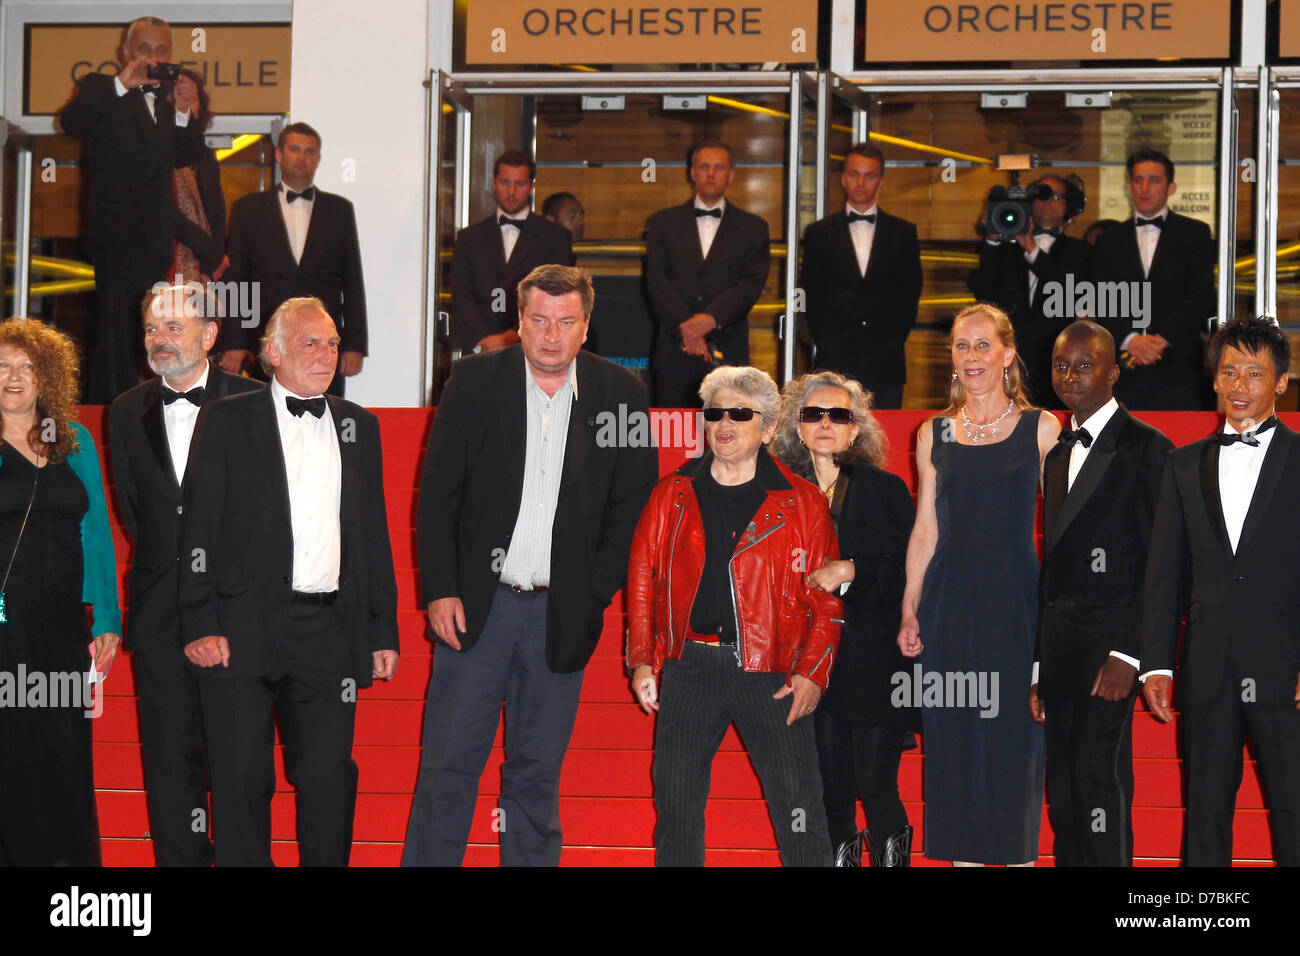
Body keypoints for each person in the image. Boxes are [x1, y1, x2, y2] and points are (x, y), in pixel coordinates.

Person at [404, 264, 657, 866]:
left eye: (565, 322)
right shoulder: (472, 382)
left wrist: (592, 593)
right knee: (448, 765)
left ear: (586, 326)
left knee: (537, 772)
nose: (550, 335)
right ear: (518, 321)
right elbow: (437, 495)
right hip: (476, 610)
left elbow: (632, 509)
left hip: (561, 613)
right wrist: (439, 589)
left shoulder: (620, 394)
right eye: (538, 320)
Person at [178, 297, 399, 866]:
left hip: (330, 630)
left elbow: (373, 534)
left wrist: (382, 630)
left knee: (328, 779)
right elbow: (199, 527)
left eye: (331, 343)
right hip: (238, 629)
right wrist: (199, 621)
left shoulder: (359, 427)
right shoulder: (225, 419)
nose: (325, 355)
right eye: (309, 343)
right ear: (271, 353)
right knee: (240, 779)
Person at [626, 365, 841, 867]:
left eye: (740, 414)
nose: (723, 423)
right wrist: (641, 661)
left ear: (767, 428)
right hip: (689, 667)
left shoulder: (803, 503)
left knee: (799, 808)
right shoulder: (671, 492)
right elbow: (642, 581)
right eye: (715, 412)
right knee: (676, 807)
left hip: (772, 671)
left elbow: (827, 601)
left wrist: (813, 672)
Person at [897, 303, 1060, 866]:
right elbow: (925, 529)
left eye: (982, 345)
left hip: (1016, 606)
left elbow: (1062, 531)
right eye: (961, 347)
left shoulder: (1042, 428)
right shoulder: (932, 433)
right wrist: (910, 609)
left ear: (1008, 354)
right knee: (955, 744)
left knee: (1016, 743)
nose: (971, 357)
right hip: (947, 607)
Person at [109, 285, 263, 866]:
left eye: (174, 327)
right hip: (156, 612)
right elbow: (137, 512)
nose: (160, 339)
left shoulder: (255, 401)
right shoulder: (127, 410)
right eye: (152, 328)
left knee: (237, 757)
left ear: (210, 335)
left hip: (233, 612)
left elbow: (265, 512)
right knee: (169, 760)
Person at [1140, 316, 1300, 866]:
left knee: (1294, 811)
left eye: (1254, 374)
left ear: (1281, 382)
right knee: (1205, 816)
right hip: (1207, 668)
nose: (1238, 386)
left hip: (1285, 668)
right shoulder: (1182, 465)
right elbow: (1164, 573)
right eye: (1228, 372)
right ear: (1213, 380)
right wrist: (1156, 662)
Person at [1029, 320, 1173, 866]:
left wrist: (1130, 653)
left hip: (1111, 651)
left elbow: (1161, 567)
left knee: (1099, 786)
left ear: (1114, 373)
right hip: (1062, 654)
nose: (1071, 375)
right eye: (1062, 365)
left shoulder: (1148, 448)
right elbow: (1054, 571)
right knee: (1063, 794)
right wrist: (1039, 666)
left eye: (1086, 365)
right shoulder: (1058, 454)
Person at [771, 371, 917, 866]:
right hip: (809, 661)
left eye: (839, 415)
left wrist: (850, 571)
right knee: (829, 792)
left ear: (857, 429)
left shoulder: (884, 489)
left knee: (877, 785)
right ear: (797, 426)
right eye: (813, 414)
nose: (826, 423)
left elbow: (907, 572)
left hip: (874, 661)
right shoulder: (778, 492)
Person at [0, 317, 120, 866]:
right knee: (12, 754)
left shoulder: (71, 440)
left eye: (27, 365)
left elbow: (95, 533)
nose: (14, 376)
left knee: (65, 754)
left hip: (63, 625)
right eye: (2, 366)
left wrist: (107, 620)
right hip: (5, 624)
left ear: (48, 376)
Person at [59, 15, 204, 403]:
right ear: (125, 52)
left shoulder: (167, 99)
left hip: (155, 241)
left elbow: (186, 156)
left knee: (151, 329)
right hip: (114, 237)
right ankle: (107, 408)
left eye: (161, 51)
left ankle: (145, 408)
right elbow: (72, 122)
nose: (152, 57)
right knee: (114, 330)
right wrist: (122, 83)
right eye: (144, 49)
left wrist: (184, 112)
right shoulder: (100, 88)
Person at [219, 123, 368, 396]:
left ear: (319, 159)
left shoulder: (340, 210)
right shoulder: (248, 209)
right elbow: (237, 279)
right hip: (263, 339)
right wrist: (234, 341)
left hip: (323, 341)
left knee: (324, 418)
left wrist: (354, 344)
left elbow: (353, 280)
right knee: (263, 420)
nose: (302, 157)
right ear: (279, 154)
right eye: (295, 149)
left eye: (310, 151)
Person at [644, 141, 770, 407]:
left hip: (729, 350)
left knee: (729, 434)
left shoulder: (754, 228)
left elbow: (751, 284)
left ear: (731, 175)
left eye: (719, 167)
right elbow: (656, 282)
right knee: (672, 441)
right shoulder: (661, 223)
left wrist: (711, 318)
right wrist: (688, 329)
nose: (711, 173)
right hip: (673, 350)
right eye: (704, 167)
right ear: (692, 172)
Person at [1091, 149, 1216, 410]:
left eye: (1154, 180)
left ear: (1171, 187)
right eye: (1138, 180)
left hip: (1181, 366)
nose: (1145, 188)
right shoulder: (1108, 240)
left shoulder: (1196, 234)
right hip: (1121, 369)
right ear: (1129, 186)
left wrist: (1161, 340)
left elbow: (1201, 295)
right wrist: (1130, 339)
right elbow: (1100, 299)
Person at [801, 144, 922, 409]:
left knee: (885, 438)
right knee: (832, 435)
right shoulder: (819, 233)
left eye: (869, 175)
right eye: (854, 174)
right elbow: (812, 294)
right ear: (843, 178)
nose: (861, 182)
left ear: (881, 180)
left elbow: (910, 295)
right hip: (834, 359)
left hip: (886, 359)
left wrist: (890, 338)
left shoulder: (903, 233)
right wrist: (826, 340)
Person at [968, 173, 1093, 408]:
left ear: (1069, 206)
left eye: (1057, 196)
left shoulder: (1080, 251)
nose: (1048, 202)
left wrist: (1033, 251)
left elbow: (1069, 293)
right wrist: (993, 241)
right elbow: (983, 294)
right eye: (1041, 195)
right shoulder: (1005, 251)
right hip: (1008, 359)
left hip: (1057, 360)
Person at [448, 150, 574, 354]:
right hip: (479, 349)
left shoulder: (555, 238)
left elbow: (557, 295)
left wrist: (513, 336)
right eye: (505, 182)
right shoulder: (468, 238)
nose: (511, 192)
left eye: (520, 184)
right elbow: (462, 296)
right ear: (493, 183)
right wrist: (482, 340)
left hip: (537, 347)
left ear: (532, 187)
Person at [168, 69, 227, 284]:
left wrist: (214, 261)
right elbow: (164, 212)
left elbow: (217, 214)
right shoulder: (152, 153)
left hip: (204, 271)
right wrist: (208, 249)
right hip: (166, 260)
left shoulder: (207, 158)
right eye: (179, 98)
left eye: (192, 99)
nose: (184, 105)